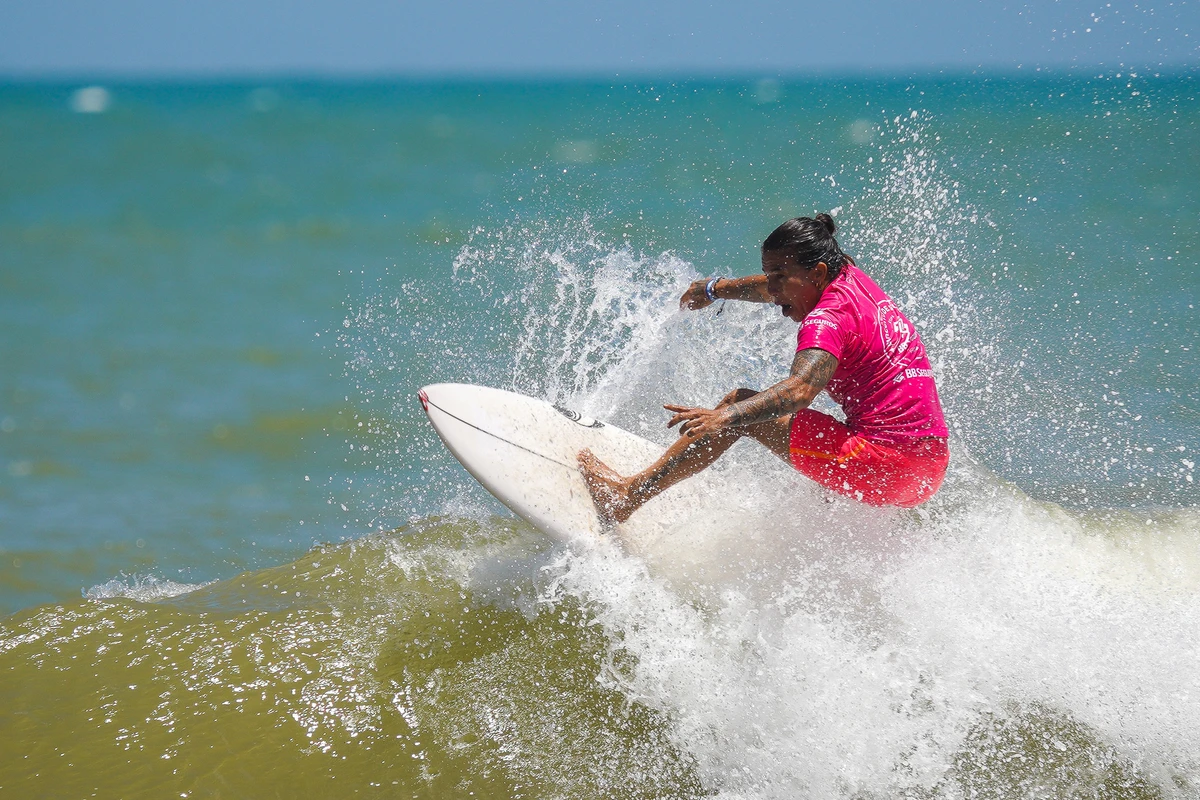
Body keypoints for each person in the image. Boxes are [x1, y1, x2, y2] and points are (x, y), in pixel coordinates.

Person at [577, 213, 950, 524]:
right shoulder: (848, 275)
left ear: (817, 273)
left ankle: (624, 498)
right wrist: (715, 289)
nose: (773, 290)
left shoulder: (826, 322)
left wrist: (725, 417)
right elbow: (775, 286)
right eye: (770, 275)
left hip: (887, 466)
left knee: (739, 405)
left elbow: (800, 390)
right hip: (929, 467)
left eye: (779, 277)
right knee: (815, 481)